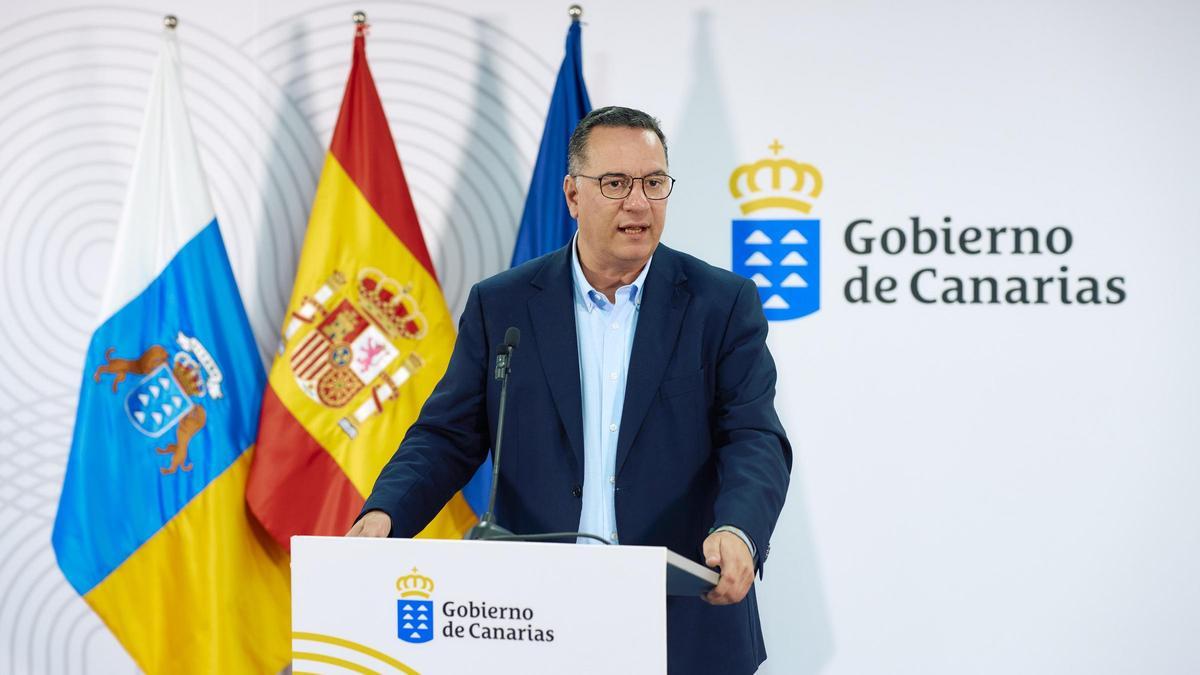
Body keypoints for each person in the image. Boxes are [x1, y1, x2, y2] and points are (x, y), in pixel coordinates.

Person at [349, 106, 792, 674]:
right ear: (573, 194)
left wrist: (738, 529)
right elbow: (447, 435)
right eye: (615, 183)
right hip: (535, 618)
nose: (639, 203)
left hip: (682, 617)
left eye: (654, 183)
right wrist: (387, 513)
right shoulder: (503, 304)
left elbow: (753, 435)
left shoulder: (721, 303)